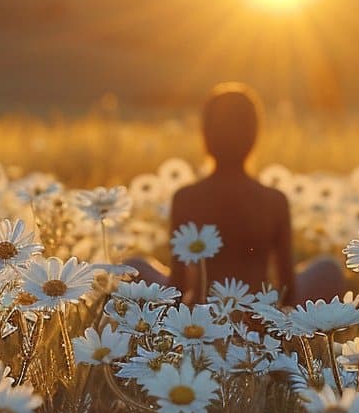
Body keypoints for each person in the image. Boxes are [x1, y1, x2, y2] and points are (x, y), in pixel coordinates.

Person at [130, 83, 343, 306]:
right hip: (258, 318)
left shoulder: (186, 198)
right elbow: (287, 289)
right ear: (254, 137)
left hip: (201, 318)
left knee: (134, 267)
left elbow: (178, 287)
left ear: (205, 135)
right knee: (328, 269)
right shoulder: (274, 201)